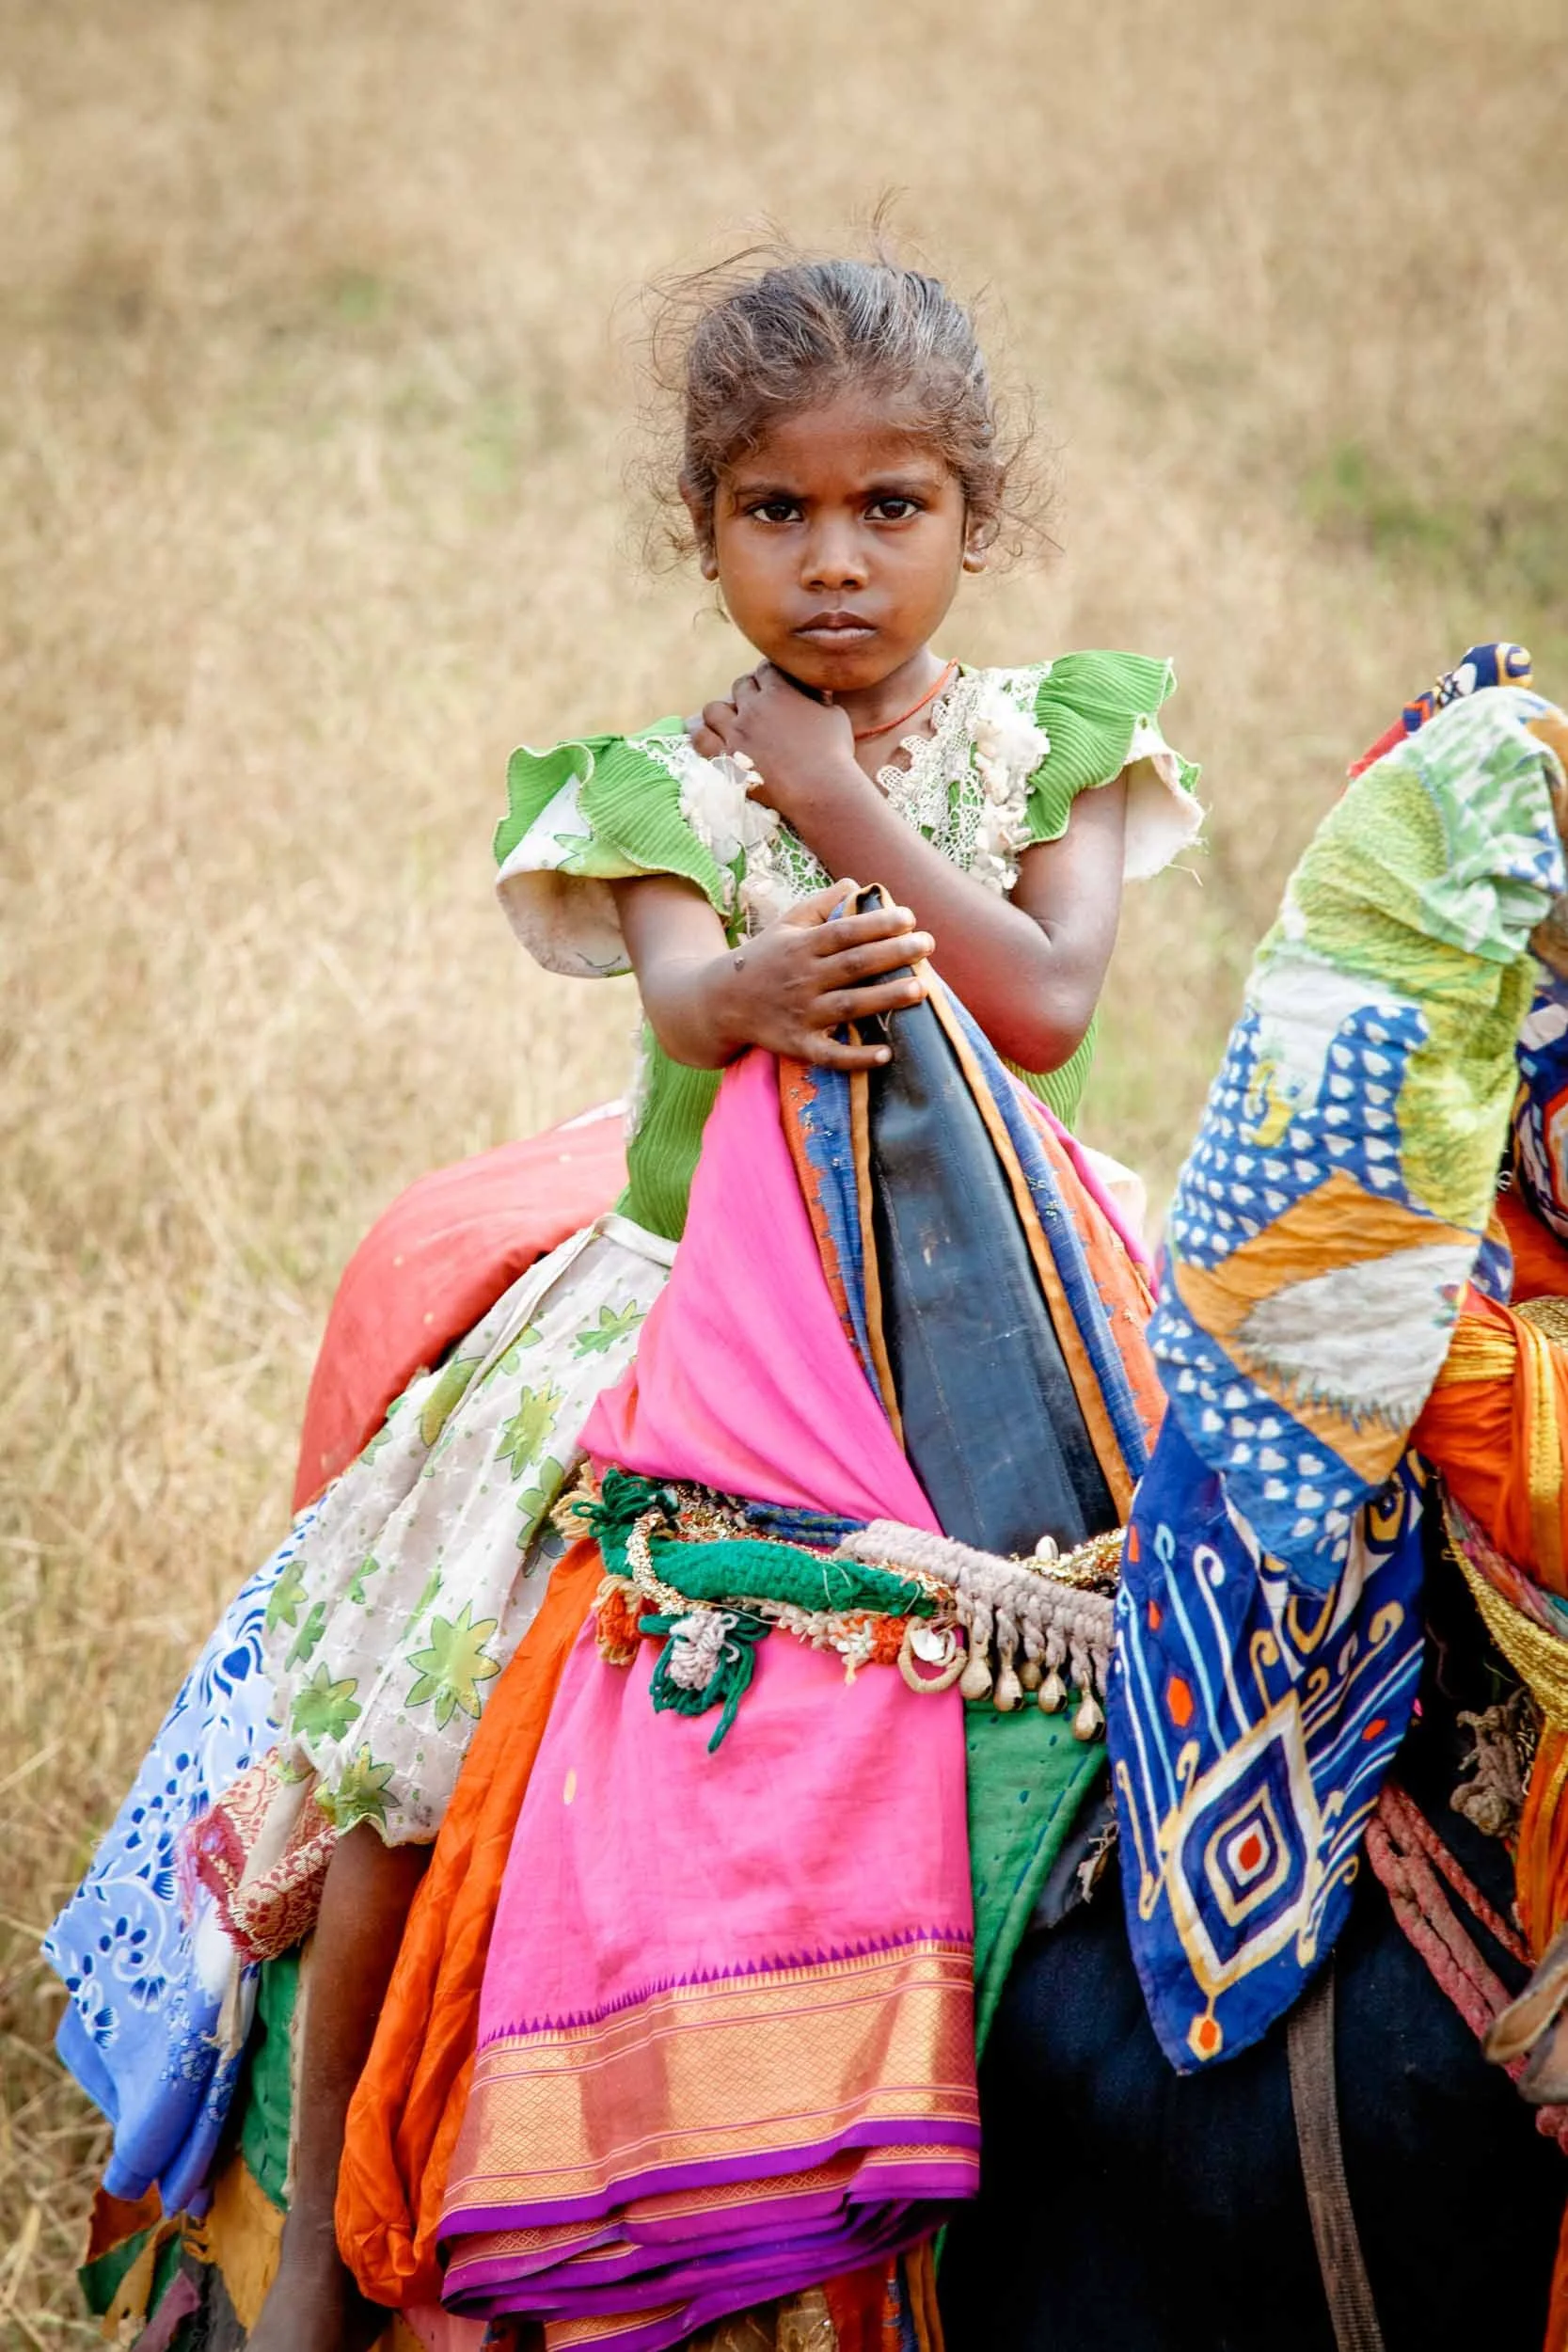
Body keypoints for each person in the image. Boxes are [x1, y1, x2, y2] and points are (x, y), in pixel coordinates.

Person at [45, 243, 1200, 2352]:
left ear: (977, 515)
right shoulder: (663, 782)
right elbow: (684, 1005)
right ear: (704, 531)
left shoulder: (1059, 743)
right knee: (420, 1718)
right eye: (775, 510)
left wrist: (844, 809)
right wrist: (749, 958)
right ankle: (324, 2228)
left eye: (892, 507)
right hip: (687, 1303)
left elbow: (1038, 1003)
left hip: (1003, 1267)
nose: (833, 563)